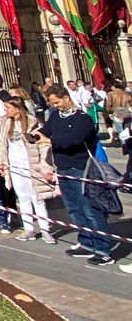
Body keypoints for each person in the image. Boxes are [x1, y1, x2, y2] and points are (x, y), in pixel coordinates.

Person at [41, 84, 114, 266]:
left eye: (57, 102)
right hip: (63, 168)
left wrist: (51, 140)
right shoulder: (55, 115)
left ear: (66, 97)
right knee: (74, 209)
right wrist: (37, 134)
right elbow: (47, 129)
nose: (55, 106)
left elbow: (74, 139)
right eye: (52, 103)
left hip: (82, 169)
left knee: (91, 210)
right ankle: (86, 242)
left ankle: (103, 249)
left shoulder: (83, 118)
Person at [0, 97, 57, 244]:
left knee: (37, 197)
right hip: (14, 164)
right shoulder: (6, 122)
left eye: (8, 108)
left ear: (18, 108)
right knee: (22, 197)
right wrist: (1, 162)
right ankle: (29, 229)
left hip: (30, 163)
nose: (6, 111)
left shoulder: (32, 121)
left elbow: (43, 144)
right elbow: (2, 143)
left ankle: (45, 230)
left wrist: (45, 166)